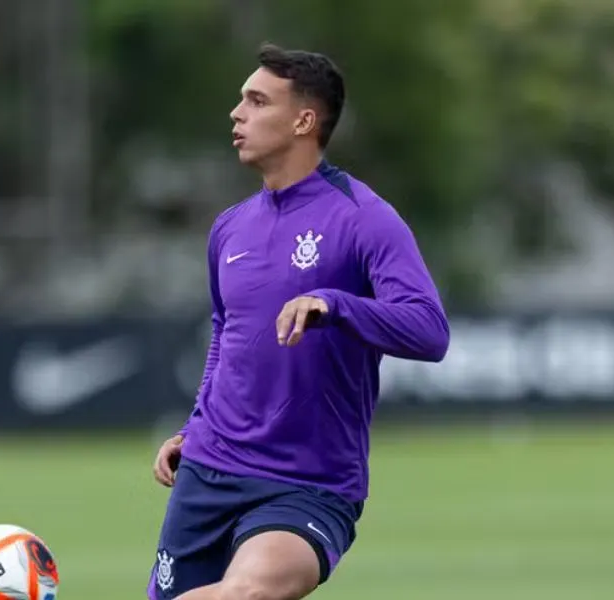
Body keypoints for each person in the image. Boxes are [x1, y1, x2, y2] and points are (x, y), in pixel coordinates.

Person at [146, 43, 450, 600]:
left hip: (306, 483)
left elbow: (430, 330)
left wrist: (336, 304)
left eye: (257, 101)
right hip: (208, 469)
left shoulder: (364, 218)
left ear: (304, 120)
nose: (237, 114)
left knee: (247, 594)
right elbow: (226, 337)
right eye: (241, 101)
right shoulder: (229, 229)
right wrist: (194, 426)